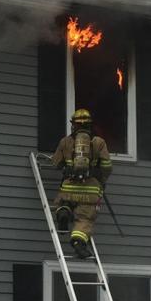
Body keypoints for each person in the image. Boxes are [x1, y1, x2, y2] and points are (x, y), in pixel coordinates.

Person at [50, 108, 112, 259]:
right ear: (90, 125)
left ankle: (63, 212)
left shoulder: (65, 141)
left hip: (69, 187)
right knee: (84, 219)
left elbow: (56, 163)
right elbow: (107, 167)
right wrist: (102, 181)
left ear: (74, 125)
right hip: (90, 190)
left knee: (62, 202)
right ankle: (78, 242)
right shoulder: (99, 142)